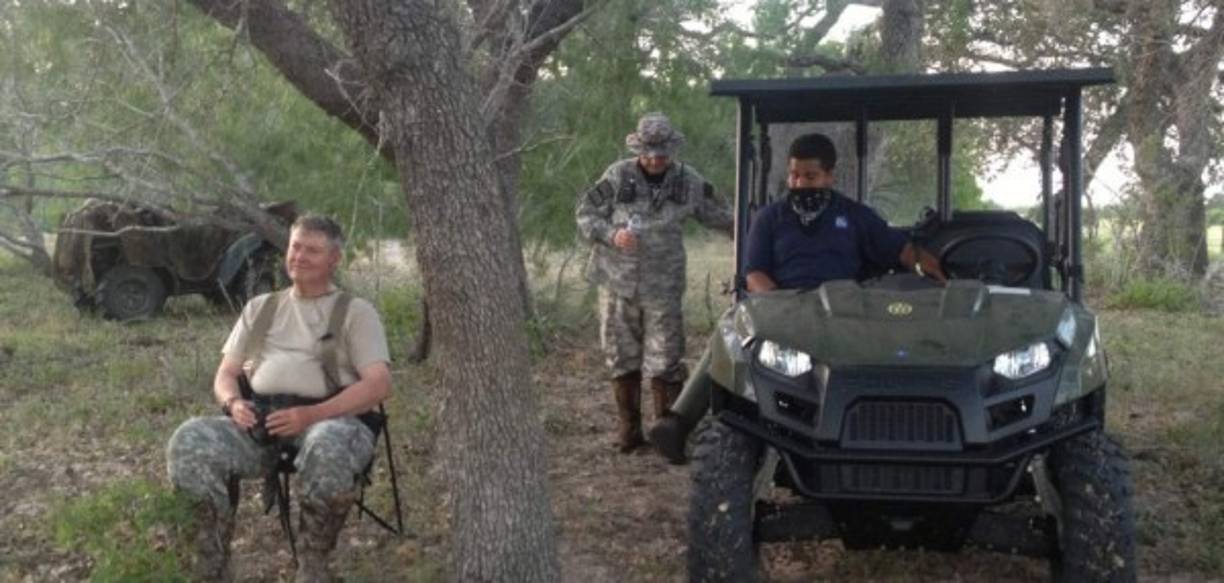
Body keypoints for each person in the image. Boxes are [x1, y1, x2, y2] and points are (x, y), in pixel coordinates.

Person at [648, 132, 944, 464]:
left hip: (845, 310)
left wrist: (933, 271)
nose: (800, 183)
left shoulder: (856, 216)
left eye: (810, 176)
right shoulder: (770, 218)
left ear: (830, 176)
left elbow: (903, 251)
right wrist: (780, 303)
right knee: (732, 325)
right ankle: (678, 420)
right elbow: (754, 273)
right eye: (794, 175)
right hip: (784, 307)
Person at [166, 215, 392, 582]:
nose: (299, 257)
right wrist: (233, 404)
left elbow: (380, 385)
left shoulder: (355, 312)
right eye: (295, 246)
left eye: (312, 250)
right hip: (263, 423)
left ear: (334, 259)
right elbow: (226, 374)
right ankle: (211, 566)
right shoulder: (260, 308)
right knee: (189, 438)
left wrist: (312, 415)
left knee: (327, 443)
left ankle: (313, 566)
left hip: (332, 421)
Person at [576, 112, 734, 453]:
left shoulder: (688, 180)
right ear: (638, 149)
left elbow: (723, 216)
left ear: (672, 151)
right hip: (618, 284)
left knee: (667, 360)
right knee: (622, 358)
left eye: (662, 153)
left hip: (663, 287)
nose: (655, 159)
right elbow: (586, 214)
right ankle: (629, 433)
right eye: (649, 152)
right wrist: (611, 234)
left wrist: (750, 232)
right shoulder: (617, 175)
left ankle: (668, 434)